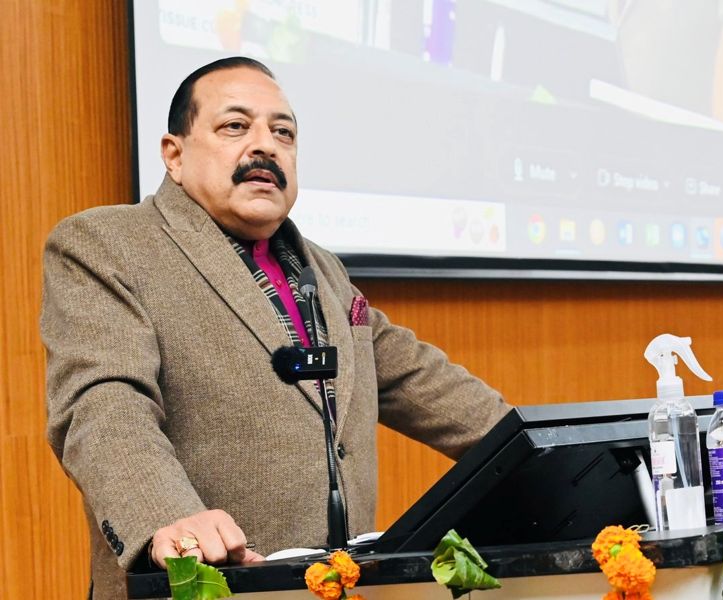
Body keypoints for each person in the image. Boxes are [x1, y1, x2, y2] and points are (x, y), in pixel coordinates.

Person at [40, 56, 509, 600]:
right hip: (202, 585)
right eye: (235, 126)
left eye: (282, 132)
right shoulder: (107, 245)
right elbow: (102, 403)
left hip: (336, 586)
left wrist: (547, 449)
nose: (265, 145)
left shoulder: (324, 269)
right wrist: (168, 517)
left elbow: (418, 378)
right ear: (174, 154)